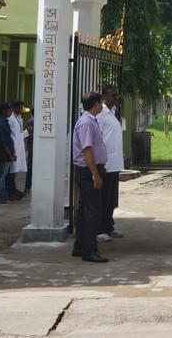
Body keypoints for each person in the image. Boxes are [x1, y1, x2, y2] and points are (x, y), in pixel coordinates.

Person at [72, 91, 109, 263]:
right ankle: (90, 250)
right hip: (88, 172)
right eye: (100, 103)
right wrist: (95, 175)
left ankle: (80, 246)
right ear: (95, 104)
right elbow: (87, 150)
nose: (102, 106)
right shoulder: (86, 123)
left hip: (88, 171)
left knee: (84, 210)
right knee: (91, 212)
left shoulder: (90, 121)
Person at [96, 85, 124, 243]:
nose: (115, 98)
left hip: (114, 164)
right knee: (103, 198)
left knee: (111, 199)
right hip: (105, 163)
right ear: (104, 96)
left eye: (116, 95)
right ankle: (99, 229)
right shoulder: (101, 114)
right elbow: (96, 138)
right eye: (113, 95)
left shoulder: (113, 113)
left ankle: (109, 226)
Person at [0, 102, 16, 204]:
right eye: (9, 110)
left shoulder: (5, 122)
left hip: (8, 153)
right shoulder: (0, 124)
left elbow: (9, 139)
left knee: (4, 174)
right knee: (1, 175)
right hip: (2, 154)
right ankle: (1, 195)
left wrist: (13, 153)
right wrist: (10, 154)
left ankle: (4, 194)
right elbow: (3, 142)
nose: (11, 112)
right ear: (4, 111)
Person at [6, 100, 27, 200]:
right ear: (14, 108)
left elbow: (20, 134)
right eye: (18, 107)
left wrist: (27, 132)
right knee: (11, 171)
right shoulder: (11, 118)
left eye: (21, 107)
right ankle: (10, 192)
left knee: (16, 171)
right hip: (13, 148)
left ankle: (14, 189)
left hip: (19, 147)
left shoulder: (19, 118)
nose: (20, 109)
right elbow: (11, 135)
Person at [23, 110, 34, 194]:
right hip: (32, 148)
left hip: (33, 148)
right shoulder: (31, 122)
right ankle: (27, 186)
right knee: (30, 167)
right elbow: (28, 135)